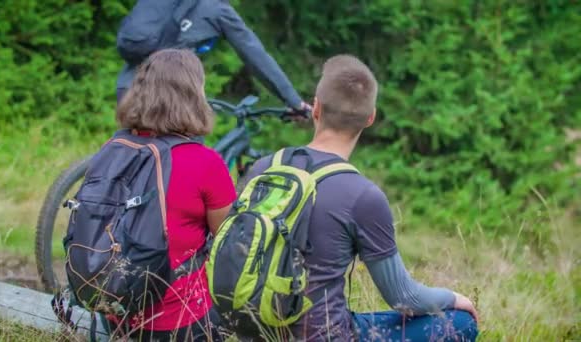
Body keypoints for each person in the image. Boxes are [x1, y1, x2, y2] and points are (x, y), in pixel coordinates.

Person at [244, 55, 479, 341]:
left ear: (316, 108)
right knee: (459, 322)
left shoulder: (264, 168)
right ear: (371, 118)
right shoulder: (363, 196)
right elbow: (404, 298)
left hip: (254, 331)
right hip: (324, 335)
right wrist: (455, 297)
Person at [116, 48, 237, 341]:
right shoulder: (205, 163)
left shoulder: (117, 150)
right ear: (195, 96)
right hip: (179, 320)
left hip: (115, 309)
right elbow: (229, 244)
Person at [116, 0, 309, 113]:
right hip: (170, 95)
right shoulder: (218, 10)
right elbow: (256, 56)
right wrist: (293, 101)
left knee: (132, 156)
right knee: (191, 160)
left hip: (127, 89)